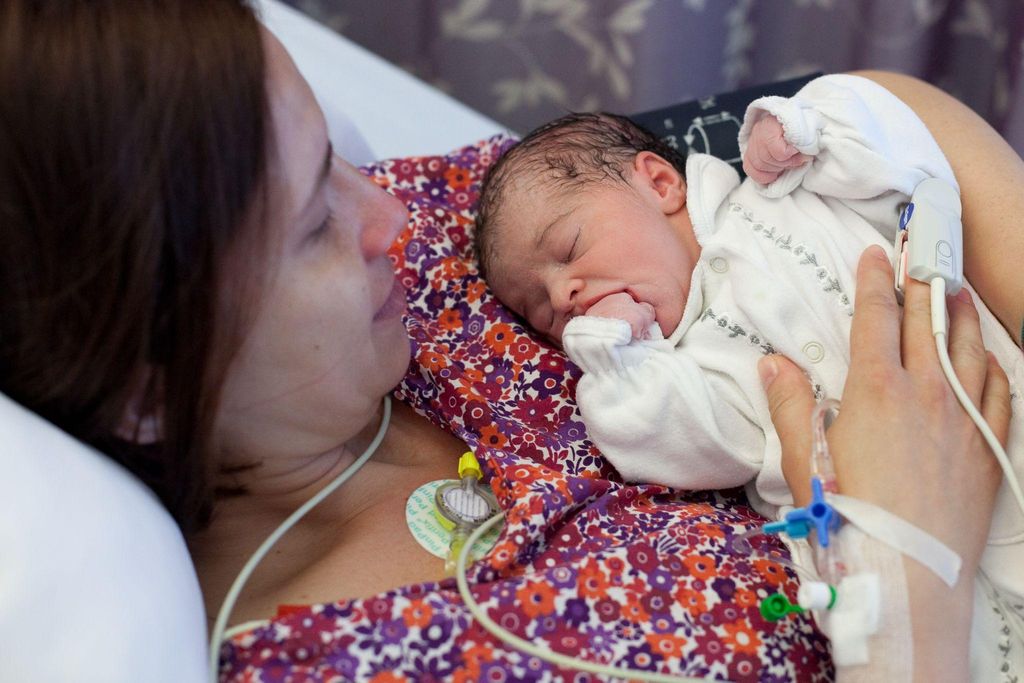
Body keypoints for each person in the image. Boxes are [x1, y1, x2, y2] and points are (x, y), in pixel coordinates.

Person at [0, 1, 1014, 679]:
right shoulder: (337, 657)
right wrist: (913, 579)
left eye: (335, 157)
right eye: (313, 222)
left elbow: (890, 121)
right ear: (150, 381)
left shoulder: (446, 240)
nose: (385, 216)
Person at [473, 74, 1024, 676]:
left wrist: (805, 129)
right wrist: (617, 362)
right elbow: (691, 444)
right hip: (915, 573)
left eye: (570, 248)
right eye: (542, 312)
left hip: (997, 399)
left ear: (659, 183)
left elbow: (896, 153)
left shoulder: (779, 193)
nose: (565, 295)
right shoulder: (690, 372)